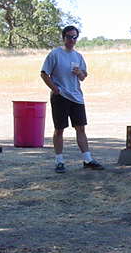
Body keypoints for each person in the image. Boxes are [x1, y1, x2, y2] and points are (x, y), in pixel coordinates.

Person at [40, 25, 104, 173]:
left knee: (80, 128)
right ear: (63, 38)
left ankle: (87, 159)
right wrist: (55, 89)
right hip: (60, 96)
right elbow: (44, 74)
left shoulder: (78, 56)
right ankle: (59, 161)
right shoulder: (55, 54)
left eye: (74, 37)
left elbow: (83, 76)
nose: (72, 40)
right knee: (59, 129)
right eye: (69, 37)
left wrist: (79, 72)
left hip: (76, 97)